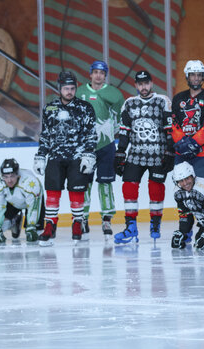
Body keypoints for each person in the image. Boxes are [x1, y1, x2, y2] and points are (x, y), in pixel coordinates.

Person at [34, 71, 97, 246]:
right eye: (65, 88)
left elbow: (91, 134)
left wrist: (89, 154)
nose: (69, 92)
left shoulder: (85, 108)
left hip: (77, 157)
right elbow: (45, 135)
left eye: (72, 88)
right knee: (52, 192)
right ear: (59, 88)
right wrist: (40, 156)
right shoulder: (49, 108)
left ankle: (77, 223)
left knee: (76, 191)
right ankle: (50, 225)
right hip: (55, 156)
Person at [113, 70, 174, 244]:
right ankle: (131, 226)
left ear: (151, 83)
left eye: (146, 83)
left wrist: (170, 151)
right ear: (135, 85)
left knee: (156, 189)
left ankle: (155, 224)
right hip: (136, 154)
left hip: (158, 154)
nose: (143, 87)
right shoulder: (129, 103)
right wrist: (120, 152)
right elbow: (125, 131)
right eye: (140, 84)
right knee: (129, 187)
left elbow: (169, 129)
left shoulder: (163, 101)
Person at [76, 60, 125, 240]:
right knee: (84, 184)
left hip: (106, 145)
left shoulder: (114, 94)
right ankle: (82, 218)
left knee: (106, 183)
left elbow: (121, 116)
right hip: (84, 146)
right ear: (90, 74)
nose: (98, 75)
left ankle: (106, 219)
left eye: (102, 73)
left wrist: (112, 134)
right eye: (95, 72)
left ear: (105, 75)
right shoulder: (80, 92)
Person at [171, 60, 204, 181]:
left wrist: (192, 144)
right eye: (192, 74)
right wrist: (183, 145)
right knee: (182, 193)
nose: (196, 78)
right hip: (181, 153)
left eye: (199, 75)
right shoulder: (177, 98)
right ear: (187, 76)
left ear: (203, 76)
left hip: (203, 153)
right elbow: (174, 125)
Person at [0, 158, 44, 243]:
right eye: (6, 177)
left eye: (12, 176)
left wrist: (31, 226)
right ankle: (15, 220)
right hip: (12, 203)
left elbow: (33, 207)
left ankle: (33, 226)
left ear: (18, 174)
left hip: (33, 201)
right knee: (3, 226)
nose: (9, 180)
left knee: (36, 233)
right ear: (1, 176)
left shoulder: (31, 183)